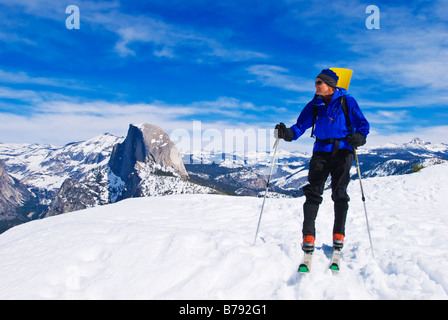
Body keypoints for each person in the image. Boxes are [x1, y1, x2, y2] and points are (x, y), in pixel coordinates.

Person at [275, 68, 370, 254]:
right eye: (316, 82)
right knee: (313, 193)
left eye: (319, 82)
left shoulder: (347, 101)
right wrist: (286, 133)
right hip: (320, 152)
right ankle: (308, 236)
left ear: (330, 85)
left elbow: (362, 124)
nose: (315, 86)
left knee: (339, 194)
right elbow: (300, 126)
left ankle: (338, 235)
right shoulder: (314, 104)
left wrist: (360, 137)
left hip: (343, 151)